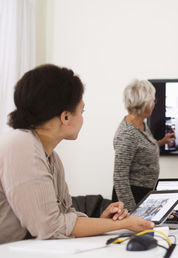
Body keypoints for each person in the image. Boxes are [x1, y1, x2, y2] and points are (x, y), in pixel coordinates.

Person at [0, 64, 154, 244]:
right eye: (82, 111)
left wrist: (103, 221)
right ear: (65, 117)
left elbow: (66, 216)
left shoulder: (52, 159)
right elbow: (50, 227)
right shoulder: (21, 144)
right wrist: (122, 224)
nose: (82, 118)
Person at [112, 79, 175, 212]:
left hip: (144, 193)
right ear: (144, 103)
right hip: (131, 196)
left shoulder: (141, 124)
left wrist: (161, 142)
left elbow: (141, 148)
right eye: (153, 100)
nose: (154, 104)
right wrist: (131, 212)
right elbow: (120, 177)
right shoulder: (127, 134)